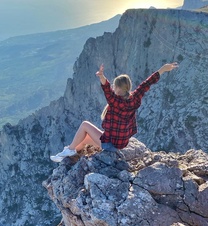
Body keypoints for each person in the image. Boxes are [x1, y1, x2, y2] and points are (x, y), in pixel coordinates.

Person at [50, 62, 178, 162]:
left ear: (116, 88)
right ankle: (69, 155)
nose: (112, 88)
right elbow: (146, 84)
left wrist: (101, 76)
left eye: (114, 87)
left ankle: (69, 150)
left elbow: (106, 88)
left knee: (84, 125)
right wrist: (162, 69)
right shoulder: (135, 98)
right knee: (84, 139)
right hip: (121, 143)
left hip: (110, 144)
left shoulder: (115, 102)